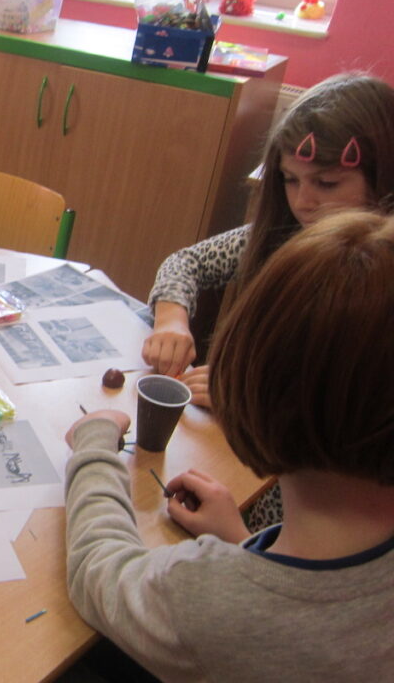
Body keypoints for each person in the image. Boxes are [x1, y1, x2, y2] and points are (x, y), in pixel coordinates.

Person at [64, 210, 394, 681]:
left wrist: (94, 447)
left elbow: (98, 573)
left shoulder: (209, 597)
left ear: (250, 389)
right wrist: (242, 540)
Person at [142, 72, 394, 407]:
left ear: (383, 177)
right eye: (290, 179)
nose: (303, 201)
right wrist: (171, 319)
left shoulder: (380, 277)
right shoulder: (286, 235)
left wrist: (253, 398)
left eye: (327, 183)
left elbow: (355, 404)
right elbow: (187, 261)